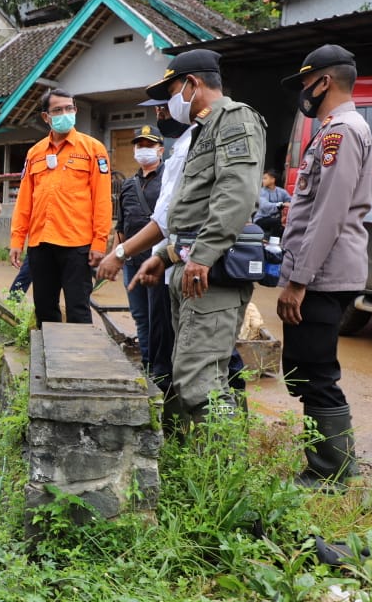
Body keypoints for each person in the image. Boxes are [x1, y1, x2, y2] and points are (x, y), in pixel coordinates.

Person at [129, 49, 266, 425]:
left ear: (192, 84)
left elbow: (236, 194)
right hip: (189, 265)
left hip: (212, 270)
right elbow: (191, 211)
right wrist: (165, 256)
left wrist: (202, 256)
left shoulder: (234, 119)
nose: (170, 103)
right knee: (187, 372)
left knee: (202, 381)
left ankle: (225, 450)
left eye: (172, 91)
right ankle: (190, 448)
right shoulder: (202, 130)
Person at [278, 44, 372, 488]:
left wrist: (298, 280)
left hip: (323, 275)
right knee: (303, 368)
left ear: (325, 82)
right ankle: (328, 464)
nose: (303, 92)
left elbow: (329, 213)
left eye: (305, 83)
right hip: (318, 271)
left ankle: (330, 472)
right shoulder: (333, 130)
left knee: (317, 371)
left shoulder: (343, 132)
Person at [8, 88, 112, 325]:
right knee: (44, 309)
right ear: (46, 117)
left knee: (78, 309)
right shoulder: (34, 153)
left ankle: (78, 351)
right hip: (41, 243)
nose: (65, 113)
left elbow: (102, 199)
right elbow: (24, 200)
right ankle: (48, 351)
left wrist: (99, 242)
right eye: (58, 110)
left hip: (77, 245)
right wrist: (17, 240)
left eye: (69, 108)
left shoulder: (93, 149)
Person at [114, 125, 165, 372]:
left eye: (149, 145)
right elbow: (121, 226)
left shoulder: (168, 180)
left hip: (159, 263)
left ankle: (162, 369)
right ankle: (148, 365)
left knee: (161, 318)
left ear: (161, 149)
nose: (143, 150)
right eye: (139, 145)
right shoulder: (128, 184)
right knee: (141, 317)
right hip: (132, 262)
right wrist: (116, 257)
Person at [254, 169, 291, 238]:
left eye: (265, 178)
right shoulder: (261, 192)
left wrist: (285, 215)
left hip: (276, 220)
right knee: (276, 222)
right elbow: (265, 206)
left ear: (272, 180)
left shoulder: (281, 191)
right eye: (263, 179)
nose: (263, 181)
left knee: (286, 231)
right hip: (261, 219)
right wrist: (282, 204)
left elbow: (290, 201)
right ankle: (272, 241)